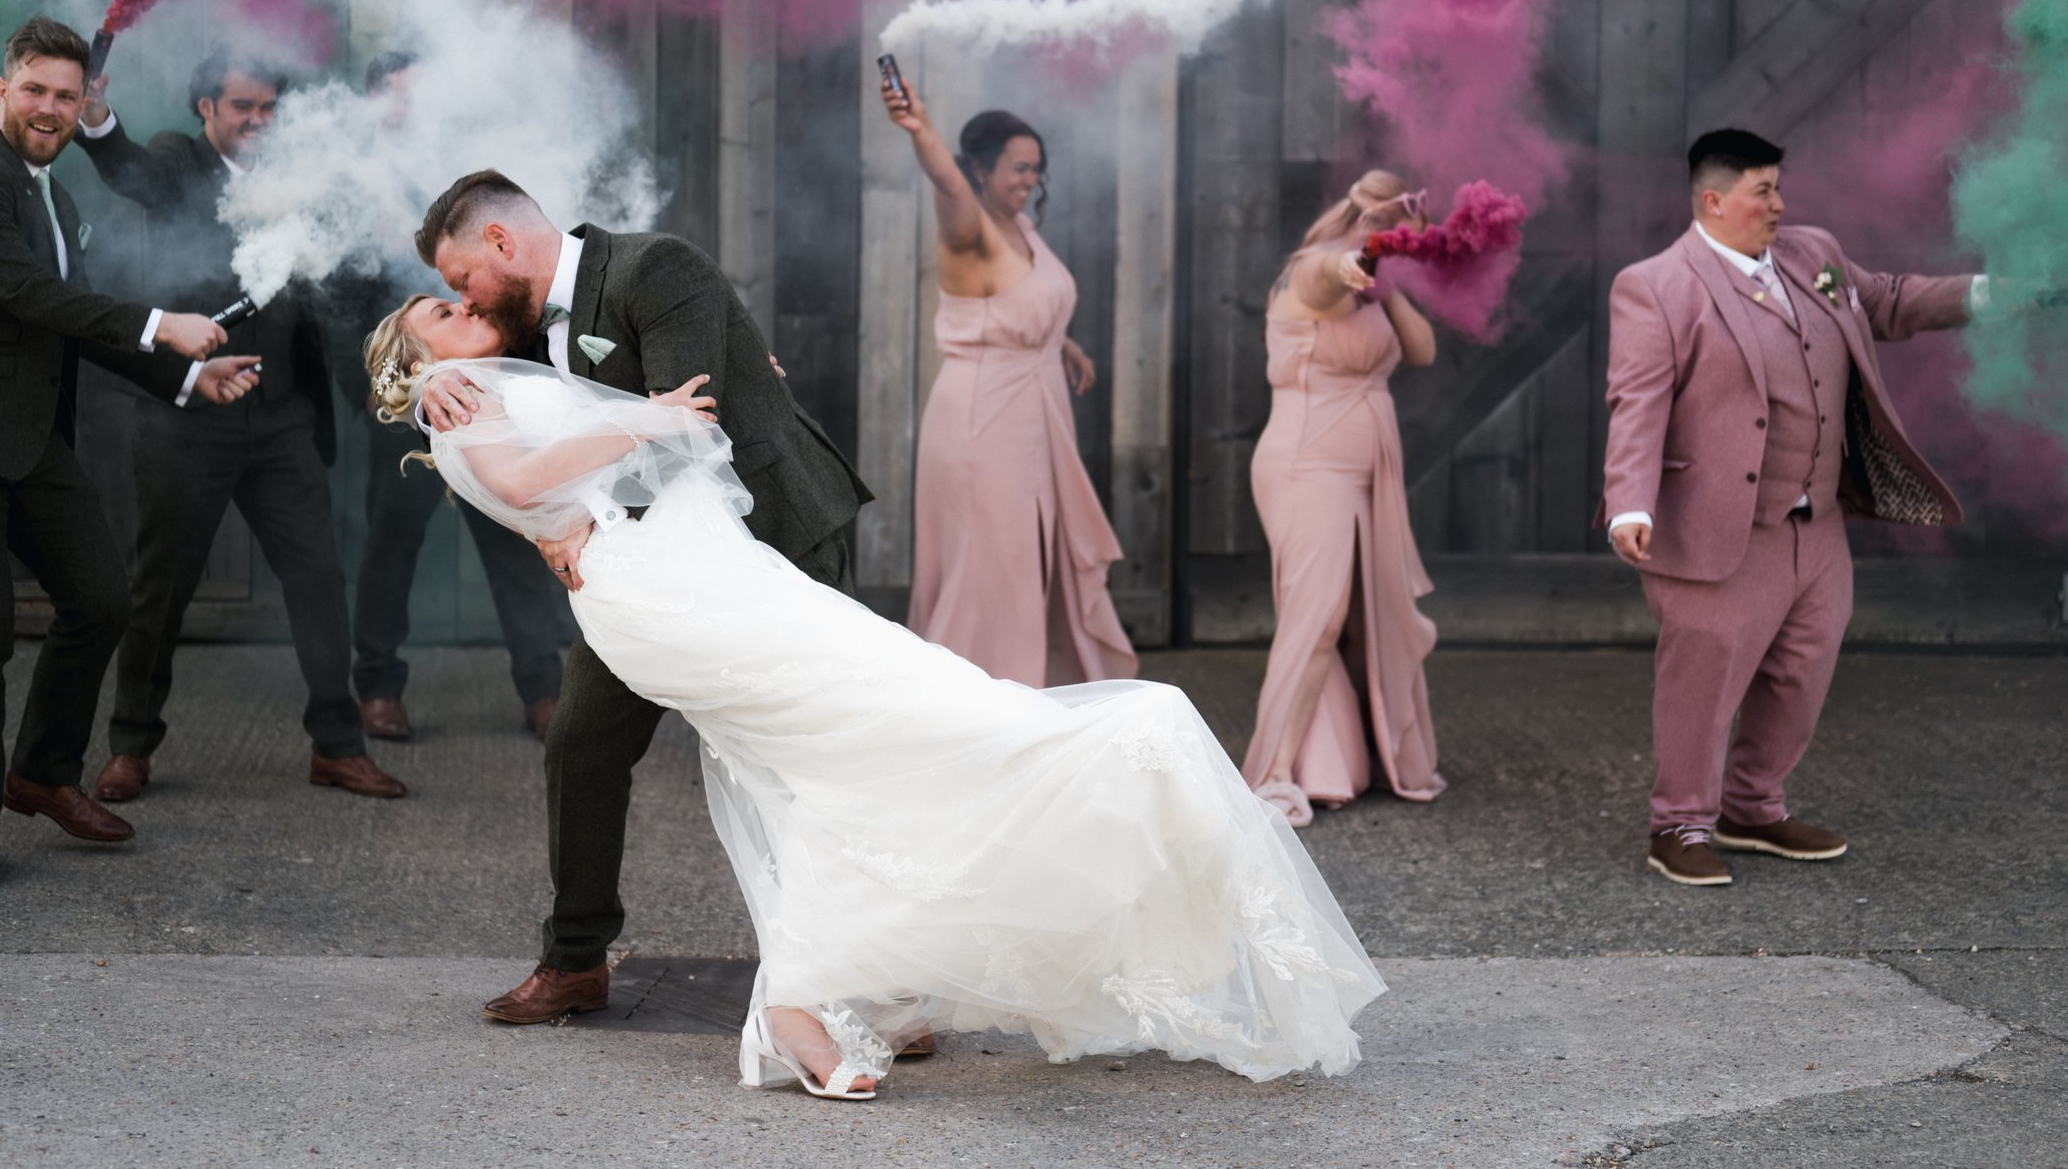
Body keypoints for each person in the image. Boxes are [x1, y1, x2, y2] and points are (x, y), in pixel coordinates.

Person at [365, 298, 1383, 1096]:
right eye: (436, 319)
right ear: (423, 367)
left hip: (692, 569)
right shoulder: (458, 399)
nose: (456, 310)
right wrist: (647, 416)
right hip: (665, 592)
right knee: (866, 739)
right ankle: (807, 1004)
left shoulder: (503, 370)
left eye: (450, 302)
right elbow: (525, 466)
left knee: (867, 746)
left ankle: (858, 987)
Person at [411, 170, 875, 1025]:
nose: (461, 300)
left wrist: (581, 527)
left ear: (503, 247)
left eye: (459, 281)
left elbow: (690, 429)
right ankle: (576, 961)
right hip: (655, 571)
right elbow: (498, 418)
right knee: (580, 741)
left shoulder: (652, 268)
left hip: (774, 538)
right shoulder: (520, 331)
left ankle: (862, 981)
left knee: (812, 758)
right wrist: (422, 388)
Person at [0, 17, 258, 886]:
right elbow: (26, 294)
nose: (50, 107)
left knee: (102, 599)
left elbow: (74, 318)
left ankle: (41, 772)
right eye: (35, 90)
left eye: (66, 95)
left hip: (25, 435)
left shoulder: (58, 196)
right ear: (2, 90)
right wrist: (163, 322)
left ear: (85, 106)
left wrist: (188, 379)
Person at [1605, 128, 1983, 887]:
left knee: (1803, 669)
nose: (1781, 203)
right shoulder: (1655, 285)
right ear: (1714, 201)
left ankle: (1752, 804)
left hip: (1819, 523)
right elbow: (1636, 403)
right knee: (1703, 681)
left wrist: (1982, 295)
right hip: (1717, 526)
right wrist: (1627, 505)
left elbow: (1890, 300)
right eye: (1762, 190)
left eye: (1779, 186)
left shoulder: (1815, 255)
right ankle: (1678, 821)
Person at [74, 51, 404, 802]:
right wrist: (95, 120)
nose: (258, 122)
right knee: (160, 587)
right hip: (189, 415)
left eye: (269, 109)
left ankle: (338, 745)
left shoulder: (303, 174)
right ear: (205, 109)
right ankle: (131, 744)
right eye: (242, 108)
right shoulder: (178, 160)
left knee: (319, 579)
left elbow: (348, 274)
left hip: (284, 419)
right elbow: (129, 171)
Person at [340, 54, 573, 742]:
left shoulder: (473, 180)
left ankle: (542, 685)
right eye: (399, 99)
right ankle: (377, 685)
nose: (413, 112)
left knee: (513, 539)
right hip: (403, 408)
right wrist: (417, 398)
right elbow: (343, 327)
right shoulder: (348, 183)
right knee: (392, 542)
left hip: (495, 388)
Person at [879, 80, 1135, 687]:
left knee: (1026, 562)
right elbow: (945, 183)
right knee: (993, 564)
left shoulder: (1021, 226)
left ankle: (1025, 698)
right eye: (1019, 168)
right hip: (983, 420)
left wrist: (1059, 342)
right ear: (980, 168)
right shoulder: (968, 226)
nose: (1030, 180)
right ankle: (969, 708)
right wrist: (922, 129)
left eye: (1036, 170)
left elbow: (1016, 301)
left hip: (1032, 414)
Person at [1238, 170, 1446, 827]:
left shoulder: (1381, 291)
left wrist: (1393, 284)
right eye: (1399, 240)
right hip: (1307, 464)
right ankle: (1272, 772)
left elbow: (1422, 351)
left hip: (1362, 473)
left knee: (1361, 616)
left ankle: (1344, 759)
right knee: (1318, 616)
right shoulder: (1311, 269)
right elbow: (1330, 271)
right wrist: (1358, 261)